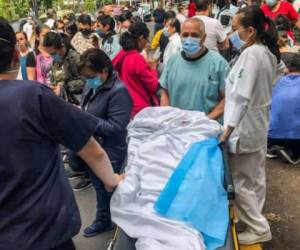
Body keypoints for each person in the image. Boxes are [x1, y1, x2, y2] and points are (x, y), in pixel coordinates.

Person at [0, 17, 122, 250]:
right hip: (44, 233)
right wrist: (112, 179)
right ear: (16, 55)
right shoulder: (33, 97)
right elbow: (91, 150)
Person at [220, 6, 281, 245]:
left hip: (244, 127)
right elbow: (277, 75)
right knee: (255, 178)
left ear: (251, 30)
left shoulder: (251, 55)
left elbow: (240, 96)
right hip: (257, 124)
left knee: (240, 181)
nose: (232, 33)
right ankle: (255, 219)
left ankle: (257, 226)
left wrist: (228, 130)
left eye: (236, 29)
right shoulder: (265, 52)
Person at [68, 48, 132, 237]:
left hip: (110, 150)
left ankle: (107, 221)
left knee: (107, 188)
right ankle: (107, 219)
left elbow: (116, 127)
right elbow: (87, 108)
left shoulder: (119, 92)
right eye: (86, 77)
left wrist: (84, 119)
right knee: (100, 187)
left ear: (104, 70)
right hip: (93, 146)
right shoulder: (93, 86)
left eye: (91, 76)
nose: (88, 80)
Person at [160, 18, 229, 121]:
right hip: (177, 126)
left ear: (204, 38)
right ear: (180, 36)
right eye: (185, 35)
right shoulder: (173, 61)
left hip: (207, 129)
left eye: (195, 35)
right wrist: (167, 116)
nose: (189, 39)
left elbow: (227, 98)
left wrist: (207, 120)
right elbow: (165, 92)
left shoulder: (218, 64)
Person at [113, 22, 159, 117]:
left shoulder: (122, 54)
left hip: (127, 104)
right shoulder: (137, 58)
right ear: (141, 38)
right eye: (146, 40)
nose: (146, 44)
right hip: (141, 109)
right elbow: (153, 86)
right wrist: (153, 69)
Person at [267, 52, 300, 165]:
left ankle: (274, 147)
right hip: (295, 137)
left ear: (288, 68)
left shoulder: (279, 82)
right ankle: (293, 153)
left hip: (271, 135)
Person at [43, 32, 85, 104]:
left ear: (61, 46)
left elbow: (85, 81)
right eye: (50, 54)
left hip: (76, 102)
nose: (52, 56)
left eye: (53, 53)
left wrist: (65, 87)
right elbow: (54, 80)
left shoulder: (74, 58)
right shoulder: (56, 62)